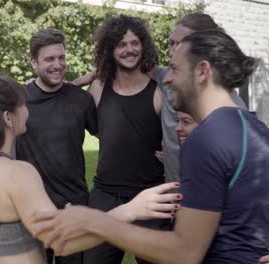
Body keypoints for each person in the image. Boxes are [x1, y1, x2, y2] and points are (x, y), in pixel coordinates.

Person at [32, 30, 269, 263]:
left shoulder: (206, 139)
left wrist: (98, 222)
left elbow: (184, 252)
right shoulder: (255, 128)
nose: (166, 79)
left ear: (202, 71)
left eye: (175, 69)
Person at [0, 73, 183, 264]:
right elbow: (62, 242)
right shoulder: (18, 174)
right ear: (8, 118)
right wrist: (130, 210)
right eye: (23, 105)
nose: (27, 111)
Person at [83, 15, 164, 264]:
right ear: (110, 49)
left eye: (134, 42)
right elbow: (96, 129)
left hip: (151, 199)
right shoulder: (97, 88)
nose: (129, 49)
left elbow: (182, 134)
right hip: (105, 197)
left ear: (144, 45)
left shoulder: (159, 90)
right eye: (121, 44)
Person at [16, 28, 97, 264]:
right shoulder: (18, 100)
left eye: (61, 57)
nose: (58, 64)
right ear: (33, 62)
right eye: (49, 59)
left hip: (73, 209)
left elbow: (110, 137)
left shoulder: (80, 99)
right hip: (31, 210)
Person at [153, 12, 247, 183]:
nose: (173, 51)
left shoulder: (233, 111)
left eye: (181, 44)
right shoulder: (168, 79)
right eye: (171, 43)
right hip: (173, 200)